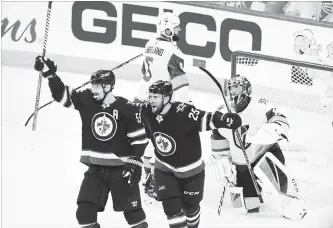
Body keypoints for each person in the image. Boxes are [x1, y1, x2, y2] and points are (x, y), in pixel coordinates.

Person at [34, 56, 149, 228]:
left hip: (121, 169)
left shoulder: (127, 108)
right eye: (92, 85)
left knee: (134, 216)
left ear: (108, 87)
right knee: (84, 213)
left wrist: (135, 162)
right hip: (96, 170)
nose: (93, 89)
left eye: (97, 86)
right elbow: (62, 95)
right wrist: (50, 75)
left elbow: (139, 139)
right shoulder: (87, 101)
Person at [137, 80, 242, 228]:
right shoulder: (146, 110)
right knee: (171, 208)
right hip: (164, 168)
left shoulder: (183, 112)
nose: (151, 100)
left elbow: (207, 118)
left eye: (156, 97)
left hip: (191, 172)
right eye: (151, 96)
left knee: (190, 209)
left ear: (167, 98)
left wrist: (225, 119)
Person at [210, 74, 307, 220]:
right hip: (241, 165)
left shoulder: (262, 105)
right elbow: (219, 145)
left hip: (265, 155)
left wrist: (266, 131)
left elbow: (282, 123)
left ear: (247, 89)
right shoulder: (221, 114)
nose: (234, 92)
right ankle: (252, 188)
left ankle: (286, 198)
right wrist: (224, 166)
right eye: (232, 88)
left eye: (238, 87)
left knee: (282, 193)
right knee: (247, 206)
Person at [134, 12, 192, 200]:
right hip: (160, 104)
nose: (180, 30)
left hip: (144, 98)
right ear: (167, 29)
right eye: (177, 27)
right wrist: (184, 107)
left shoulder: (149, 44)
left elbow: (145, 72)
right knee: (162, 142)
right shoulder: (174, 52)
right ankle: (153, 183)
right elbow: (180, 83)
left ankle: (150, 180)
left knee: (152, 141)